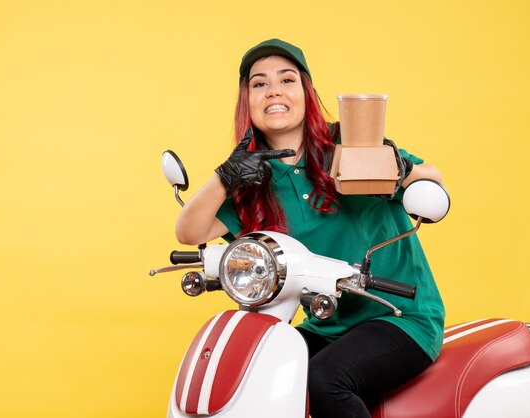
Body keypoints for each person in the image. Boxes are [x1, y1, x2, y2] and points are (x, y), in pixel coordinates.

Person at [175, 38, 445, 418]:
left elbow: (432, 179)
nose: (273, 91)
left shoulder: (350, 145)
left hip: (399, 317)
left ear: (306, 91)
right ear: (247, 100)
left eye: (287, 80)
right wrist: (226, 175)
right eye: (259, 83)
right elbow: (189, 232)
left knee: (324, 379)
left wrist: (396, 169)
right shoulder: (252, 181)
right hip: (327, 324)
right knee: (261, 370)